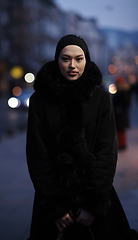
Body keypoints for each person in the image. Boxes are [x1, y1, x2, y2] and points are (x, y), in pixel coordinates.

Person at [26, 34, 134, 240]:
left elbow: (107, 153)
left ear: (87, 59)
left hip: (95, 195)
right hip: (53, 196)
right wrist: (56, 206)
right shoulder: (39, 101)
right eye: (65, 59)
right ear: (57, 60)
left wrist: (92, 204)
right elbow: (36, 155)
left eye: (79, 58)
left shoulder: (101, 98)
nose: (72, 65)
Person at [112, 76, 131, 150]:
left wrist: (120, 108)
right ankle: (121, 144)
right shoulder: (122, 91)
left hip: (121, 115)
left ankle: (122, 144)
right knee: (120, 130)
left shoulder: (123, 92)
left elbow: (126, 103)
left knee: (121, 130)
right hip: (120, 115)